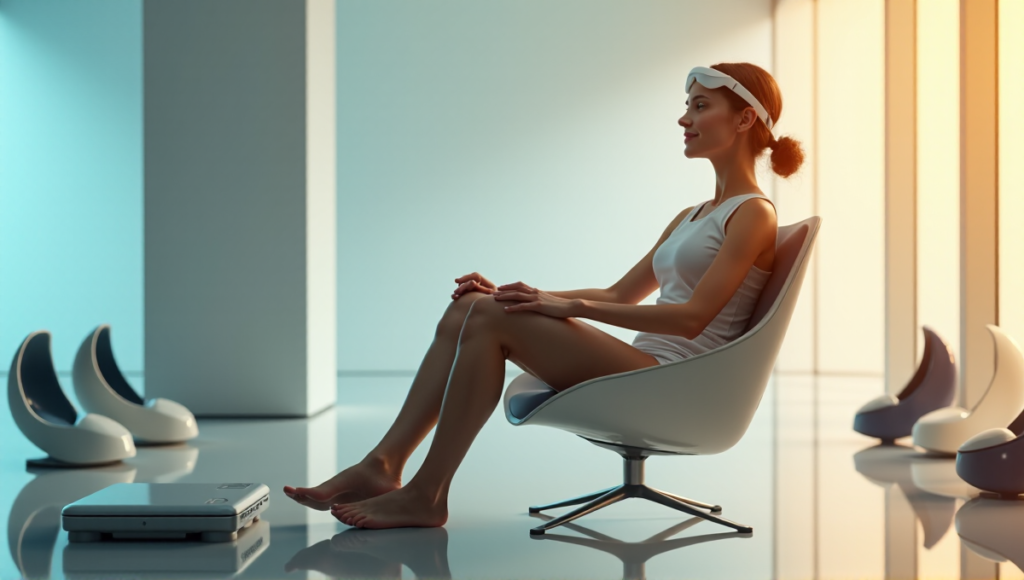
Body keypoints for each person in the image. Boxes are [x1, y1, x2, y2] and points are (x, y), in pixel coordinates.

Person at [284, 62, 805, 529]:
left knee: (492, 319)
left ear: (743, 121)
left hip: (677, 381)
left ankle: (427, 494)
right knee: (472, 306)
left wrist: (569, 308)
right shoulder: (691, 215)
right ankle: (384, 465)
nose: (683, 118)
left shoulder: (754, 214)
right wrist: (526, 294)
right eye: (685, 105)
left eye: (699, 105)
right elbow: (620, 292)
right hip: (646, 364)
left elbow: (692, 320)